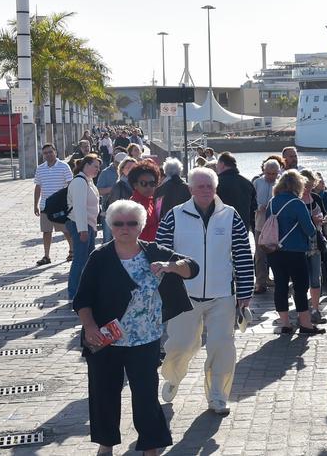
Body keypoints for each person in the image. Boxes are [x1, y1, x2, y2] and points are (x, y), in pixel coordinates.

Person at [73, 199, 198, 455]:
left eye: (131, 223)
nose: (125, 228)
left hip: (145, 339)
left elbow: (192, 268)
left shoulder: (153, 252)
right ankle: (105, 444)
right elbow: (82, 299)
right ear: (111, 226)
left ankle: (150, 445)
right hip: (107, 339)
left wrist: (170, 267)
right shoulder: (100, 257)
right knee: (104, 393)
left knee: (146, 396)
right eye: (119, 223)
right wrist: (89, 327)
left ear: (141, 226)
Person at [156, 167, 254, 417]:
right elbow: (161, 253)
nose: (205, 190)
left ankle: (218, 395)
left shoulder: (230, 216)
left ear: (216, 188)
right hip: (184, 295)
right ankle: (174, 376)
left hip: (222, 295)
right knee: (180, 345)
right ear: (190, 189)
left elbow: (243, 254)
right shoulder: (174, 215)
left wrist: (244, 293)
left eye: (209, 186)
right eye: (200, 186)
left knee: (222, 347)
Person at [266, 170, 325, 335]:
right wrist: (314, 223)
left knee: (281, 285)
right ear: (297, 185)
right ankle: (305, 324)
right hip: (295, 251)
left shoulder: (272, 202)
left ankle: (285, 324)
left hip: (275, 250)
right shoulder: (297, 203)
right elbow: (309, 230)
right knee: (300, 287)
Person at [297, 170, 327, 325]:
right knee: (300, 280)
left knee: (316, 278)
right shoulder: (295, 199)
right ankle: (302, 311)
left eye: (311, 186)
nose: (309, 189)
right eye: (306, 186)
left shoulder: (316, 198)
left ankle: (315, 310)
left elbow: (323, 216)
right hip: (299, 244)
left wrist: (326, 217)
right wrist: (310, 219)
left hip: (315, 242)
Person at [67, 154, 103, 300]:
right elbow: (79, 207)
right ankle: (74, 293)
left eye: (98, 167)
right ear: (86, 165)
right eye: (95, 166)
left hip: (88, 224)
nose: (97, 170)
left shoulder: (89, 181)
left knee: (88, 260)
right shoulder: (80, 182)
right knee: (80, 260)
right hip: (79, 225)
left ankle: (85, 290)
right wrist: (82, 230)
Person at [34, 143, 73, 266]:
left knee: (65, 230)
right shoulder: (40, 168)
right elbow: (38, 186)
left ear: (55, 152)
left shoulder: (63, 166)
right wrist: (35, 204)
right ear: (43, 154)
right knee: (46, 231)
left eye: (50, 152)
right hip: (45, 205)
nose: (48, 155)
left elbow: (70, 184)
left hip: (60, 205)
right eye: (45, 153)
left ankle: (72, 251)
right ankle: (46, 256)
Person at [252, 159, 281, 294]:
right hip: (260, 224)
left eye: (274, 174)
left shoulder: (281, 183)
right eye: (269, 173)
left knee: (278, 254)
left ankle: (280, 280)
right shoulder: (257, 182)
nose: (271, 176)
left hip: (277, 225)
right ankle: (260, 282)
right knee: (260, 255)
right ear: (264, 171)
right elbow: (251, 201)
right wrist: (259, 207)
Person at [215, 152, 257, 232]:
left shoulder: (216, 183)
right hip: (242, 227)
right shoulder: (247, 182)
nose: (216, 167)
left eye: (217, 164)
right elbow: (253, 208)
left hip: (220, 228)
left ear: (222, 164)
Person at [127, 161, 162, 243]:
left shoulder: (151, 202)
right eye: (143, 183)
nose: (149, 187)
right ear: (135, 185)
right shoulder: (133, 205)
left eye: (152, 183)